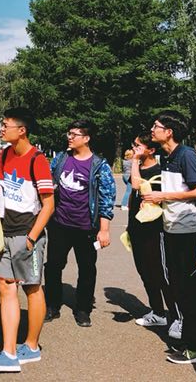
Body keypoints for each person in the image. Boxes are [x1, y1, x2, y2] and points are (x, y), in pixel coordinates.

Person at [0, 107, 54, 374]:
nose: (1, 129)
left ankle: (31, 346)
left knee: (32, 287)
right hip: (6, 231)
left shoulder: (38, 160)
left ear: (21, 130)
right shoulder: (5, 154)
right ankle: (9, 352)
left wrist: (32, 238)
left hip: (27, 234)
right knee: (5, 286)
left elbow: (48, 205)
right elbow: (5, 184)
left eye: (5, 125)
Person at [145, 110, 196, 364]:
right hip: (173, 228)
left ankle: (194, 348)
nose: (152, 130)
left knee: (187, 290)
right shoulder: (166, 156)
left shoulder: (186, 155)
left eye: (156, 126)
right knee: (184, 288)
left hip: (188, 231)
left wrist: (162, 196)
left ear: (169, 132)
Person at [44, 119, 116, 328]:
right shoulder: (60, 159)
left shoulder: (99, 165)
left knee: (86, 268)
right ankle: (52, 304)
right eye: (69, 133)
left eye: (74, 134)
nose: (70, 137)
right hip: (59, 223)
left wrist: (104, 230)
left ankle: (83, 309)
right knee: (54, 265)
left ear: (86, 138)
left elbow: (107, 198)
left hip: (86, 227)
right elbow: (47, 182)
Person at [127, 132, 177, 329]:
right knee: (144, 273)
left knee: (160, 274)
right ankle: (157, 312)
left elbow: (136, 185)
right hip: (136, 228)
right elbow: (132, 196)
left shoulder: (159, 171)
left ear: (151, 150)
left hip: (153, 230)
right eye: (134, 145)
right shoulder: (138, 168)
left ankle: (175, 316)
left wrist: (134, 161)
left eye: (139, 146)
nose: (134, 149)